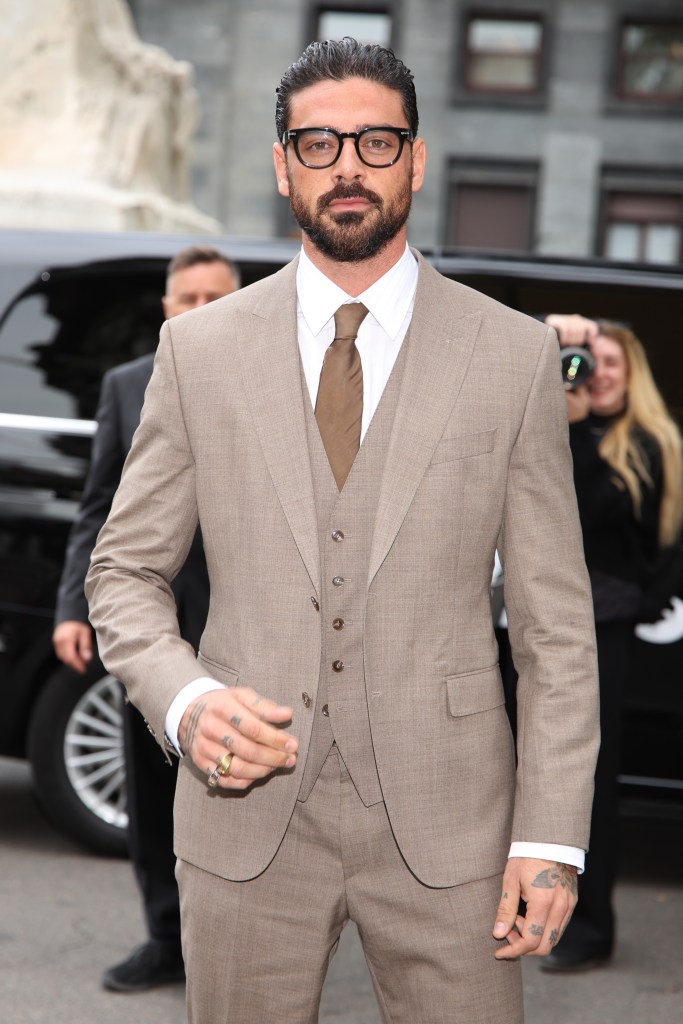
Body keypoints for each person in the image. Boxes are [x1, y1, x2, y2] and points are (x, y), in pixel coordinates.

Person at [85, 38, 600, 1024]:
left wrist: (550, 837)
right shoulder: (199, 348)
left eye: (375, 141)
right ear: (281, 164)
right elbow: (124, 573)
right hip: (245, 824)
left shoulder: (512, 354)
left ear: (416, 158)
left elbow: (554, 630)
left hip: (455, 827)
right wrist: (186, 700)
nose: (347, 167)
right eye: (318, 144)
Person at [53, 245, 240, 992]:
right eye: (186, 297)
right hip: (152, 623)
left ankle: (229, 942)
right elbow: (98, 507)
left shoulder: (280, 377)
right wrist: (76, 608)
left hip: (245, 618)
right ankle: (167, 938)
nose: (199, 309)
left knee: (238, 788)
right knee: (154, 785)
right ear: (167, 308)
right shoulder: (127, 386)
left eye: (214, 297)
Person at [537, 314, 683, 972]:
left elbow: (591, 513)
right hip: (538, 626)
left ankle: (589, 927)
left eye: (609, 364)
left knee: (586, 783)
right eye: (584, 361)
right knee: (523, 778)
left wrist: (569, 429)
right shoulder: (559, 427)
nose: (595, 374)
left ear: (632, 376)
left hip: (600, 632)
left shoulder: (645, 444)